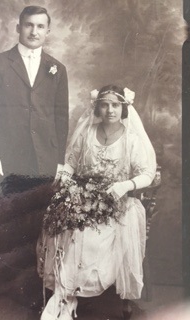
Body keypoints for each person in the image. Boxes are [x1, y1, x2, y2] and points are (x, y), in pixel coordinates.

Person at [37, 84, 157, 320]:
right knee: (64, 225)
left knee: (87, 235)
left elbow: (147, 174)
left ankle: (70, 293)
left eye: (115, 105)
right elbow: (71, 162)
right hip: (84, 196)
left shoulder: (132, 139)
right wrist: (66, 181)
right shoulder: (87, 133)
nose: (110, 110)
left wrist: (125, 186)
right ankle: (64, 297)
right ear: (97, 107)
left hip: (117, 203)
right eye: (105, 104)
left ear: (123, 108)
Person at [0, 5, 69, 195]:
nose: (34, 32)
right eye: (28, 25)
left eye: (40, 27)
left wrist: (59, 160)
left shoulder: (57, 68)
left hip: (44, 162)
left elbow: (61, 117)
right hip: (5, 159)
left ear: (47, 31)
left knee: (39, 221)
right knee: (6, 219)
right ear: (18, 28)